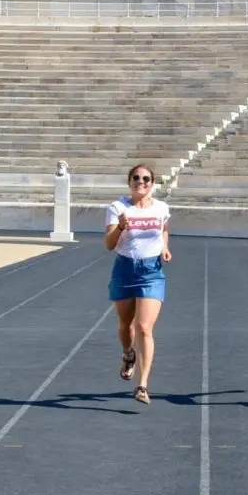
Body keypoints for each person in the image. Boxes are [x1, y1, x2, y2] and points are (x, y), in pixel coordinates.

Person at [104, 164, 172, 405]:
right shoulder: (118, 208)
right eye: (136, 178)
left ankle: (142, 385)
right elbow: (109, 244)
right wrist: (121, 226)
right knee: (125, 325)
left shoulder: (161, 208)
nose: (140, 182)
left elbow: (163, 229)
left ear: (152, 184)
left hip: (151, 271)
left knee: (144, 327)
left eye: (146, 179)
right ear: (129, 182)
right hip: (124, 269)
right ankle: (128, 354)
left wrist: (164, 247)